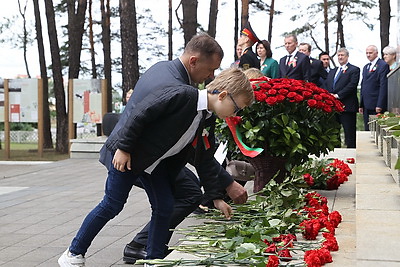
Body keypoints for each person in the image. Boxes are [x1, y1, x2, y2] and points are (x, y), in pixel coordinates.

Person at [58, 33, 251, 267]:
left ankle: (153, 258)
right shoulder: (182, 93)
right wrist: (124, 148)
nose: (235, 114)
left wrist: (216, 196)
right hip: (128, 156)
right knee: (112, 204)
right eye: (236, 108)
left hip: (155, 163)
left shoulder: (205, 115)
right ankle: (73, 253)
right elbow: (140, 113)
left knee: (165, 205)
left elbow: (201, 156)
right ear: (222, 95)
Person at [326, 47, 360, 148]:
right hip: (333, 107)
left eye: (342, 55)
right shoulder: (333, 71)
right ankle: (336, 154)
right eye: (339, 55)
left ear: (347, 56)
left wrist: (338, 95)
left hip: (347, 106)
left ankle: (351, 154)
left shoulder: (354, 69)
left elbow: (352, 85)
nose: (340, 57)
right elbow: (328, 84)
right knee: (334, 133)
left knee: (349, 133)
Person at [359, 45, 390, 130]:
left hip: (376, 105)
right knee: (367, 129)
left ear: (376, 53)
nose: (368, 55)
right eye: (367, 53)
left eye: (370, 53)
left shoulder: (382, 65)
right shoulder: (366, 67)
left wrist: (380, 104)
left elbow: (383, 85)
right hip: (366, 105)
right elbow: (363, 85)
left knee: (376, 130)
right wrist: (361, 104)